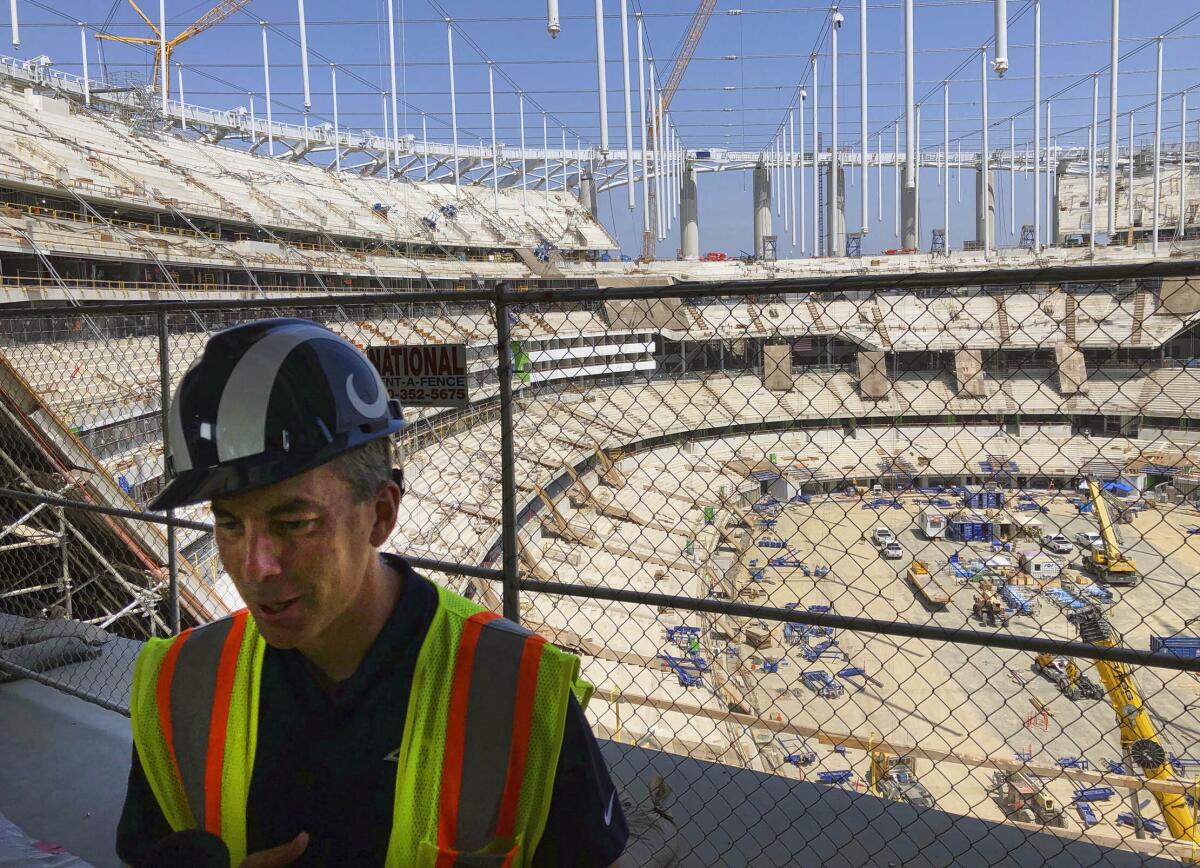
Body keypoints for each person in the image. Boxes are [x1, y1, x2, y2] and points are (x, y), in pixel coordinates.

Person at [117, 318, 627, 867]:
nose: (256, 566)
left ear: (381, 514)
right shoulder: (178, 686)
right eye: (229, 524)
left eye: (294, 524)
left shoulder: (523, 693)